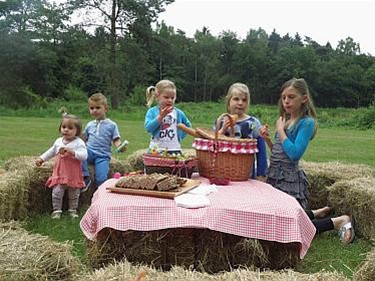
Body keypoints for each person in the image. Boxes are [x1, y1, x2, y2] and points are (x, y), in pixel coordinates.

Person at [259, 78, 355, 244]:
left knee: (292, 226)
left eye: (291, 97)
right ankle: (315, 213)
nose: (286, 101)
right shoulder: (286, 120)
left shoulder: (306, 123)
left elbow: (294, 154)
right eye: (283, 97)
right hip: (275, 176)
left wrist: (280, 131)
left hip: (289, 179)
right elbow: (280, 151)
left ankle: (339, 221)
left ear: (304, 99)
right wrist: (267, 139)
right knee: (280, 218)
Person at [35, 113, 87, 219]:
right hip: (60, 173)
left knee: (74, 194)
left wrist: (73, 152)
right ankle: (56, 210)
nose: (66, 130)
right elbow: (51, 151)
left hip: (73, 174)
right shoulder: (58, 141)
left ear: (77, 131)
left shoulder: (79, 143)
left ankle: (72, 210)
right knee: (57, 192)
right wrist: (42, 158)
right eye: (64, 127)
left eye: (70, 128)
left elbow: (84, 156)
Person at [216, 82, 268, 180]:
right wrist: (223, 130)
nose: (240, 103)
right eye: (236, 99)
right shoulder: (220, 121)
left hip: (246, 175)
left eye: (244, 100)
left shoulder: (253, 123)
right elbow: (212, 145)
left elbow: (261, 152)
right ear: (228, 101)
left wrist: (261, 174)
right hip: (222, 173)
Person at [82, 92, 125, 191]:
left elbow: (116, 140)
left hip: (102, 155)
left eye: (98, 108)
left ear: (105, 109)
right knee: (79, 155)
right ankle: (85, 177)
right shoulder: (89, 125)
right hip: (89, 152)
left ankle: (101, 196)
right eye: (92, 108)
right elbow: (84, 139)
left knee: (101, 179)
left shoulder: (112, 125)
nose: (94, 110)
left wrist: (120, 146)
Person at [144, 79, 191, 155]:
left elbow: (188, 126)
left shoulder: (178, 113)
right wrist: (160, 116)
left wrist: (179, 137)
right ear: (157, 96)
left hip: (174, 150)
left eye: (172, 98)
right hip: (156, 150)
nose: (170, 100)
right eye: (166, 97)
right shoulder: (152, 112)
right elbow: (148, 128)